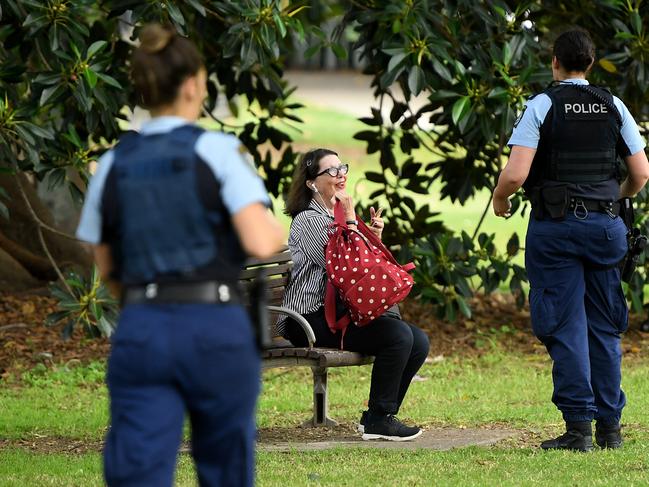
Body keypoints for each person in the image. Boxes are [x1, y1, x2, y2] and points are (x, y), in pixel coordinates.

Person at [76, 24, 285, 486]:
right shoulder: (218, 150)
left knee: (138, 471)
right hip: (215, 327)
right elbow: (261, 241)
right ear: (192, 84)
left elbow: (107, 267)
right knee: (224, 469)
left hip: (143, 325)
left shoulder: (113, 163)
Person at [493, 29, 649, 451]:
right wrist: (611, 199)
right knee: (603, 326)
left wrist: (500, 198)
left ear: (555, 62)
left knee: (565, 325)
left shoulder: (543, 104)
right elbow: (640, 173)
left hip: (556, 229)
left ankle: (579, 428)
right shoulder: (613, 105)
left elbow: (516, 174)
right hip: (605, 229)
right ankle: (610, 429)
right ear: (591, 64)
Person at [278, 148, 430, 441]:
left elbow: (365, 266)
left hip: (335, 315)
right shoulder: (309, 220)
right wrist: (351, 222)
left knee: (418, 341)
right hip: (308, 319)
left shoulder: (333, 213)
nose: (341, 174)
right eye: (331, 171)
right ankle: (378, 419)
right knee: (398, 336)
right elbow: (345, 269)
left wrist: (373, 236)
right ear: (312, 182)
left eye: (342, 167)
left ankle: (378, 415)